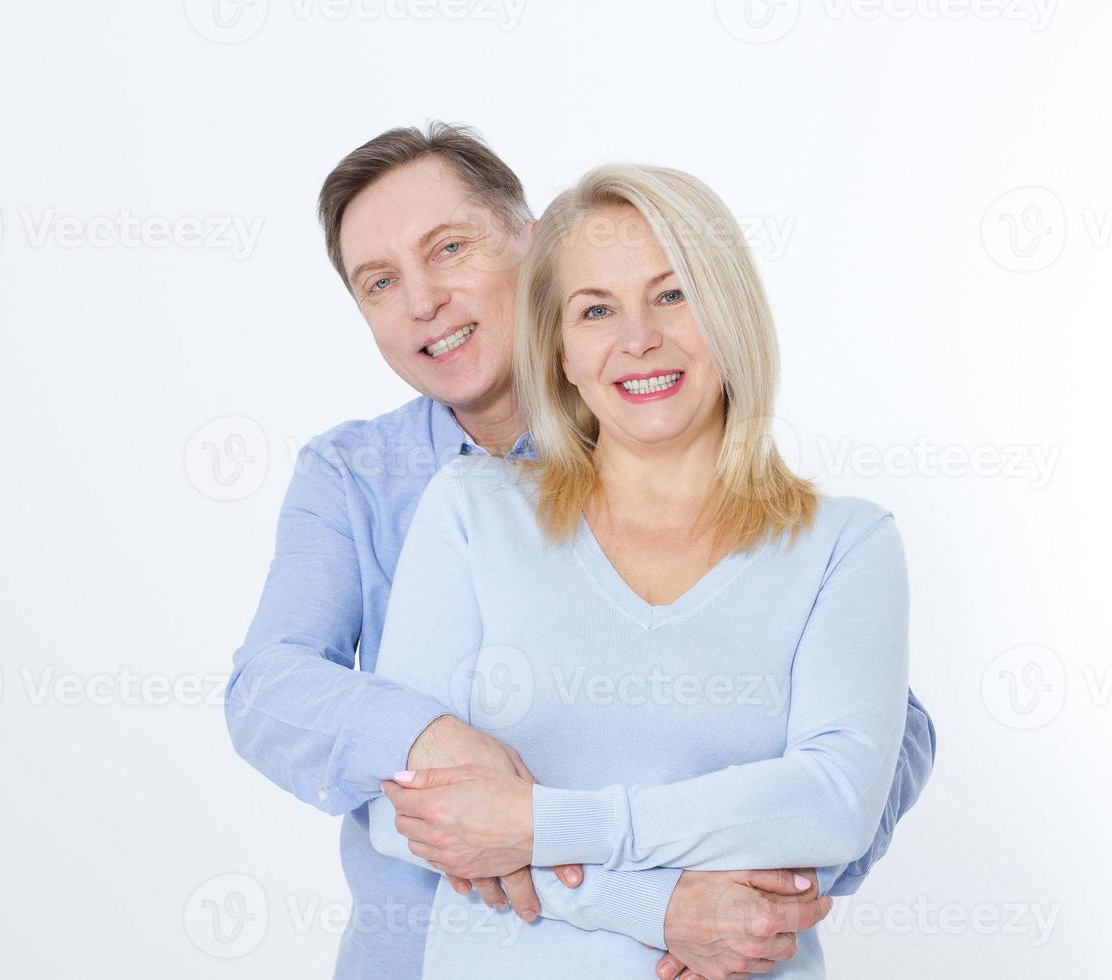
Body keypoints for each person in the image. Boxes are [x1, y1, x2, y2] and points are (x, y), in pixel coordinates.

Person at [224, 124, 936, 980]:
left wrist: (776, 882)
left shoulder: (797, 518)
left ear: (530, 248)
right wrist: (425, 737)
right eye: (380, 283)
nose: (423, 302)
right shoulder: (378, 482)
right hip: (425, 950)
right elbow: (272, 688)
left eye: (447, 249)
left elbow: (870, 756)